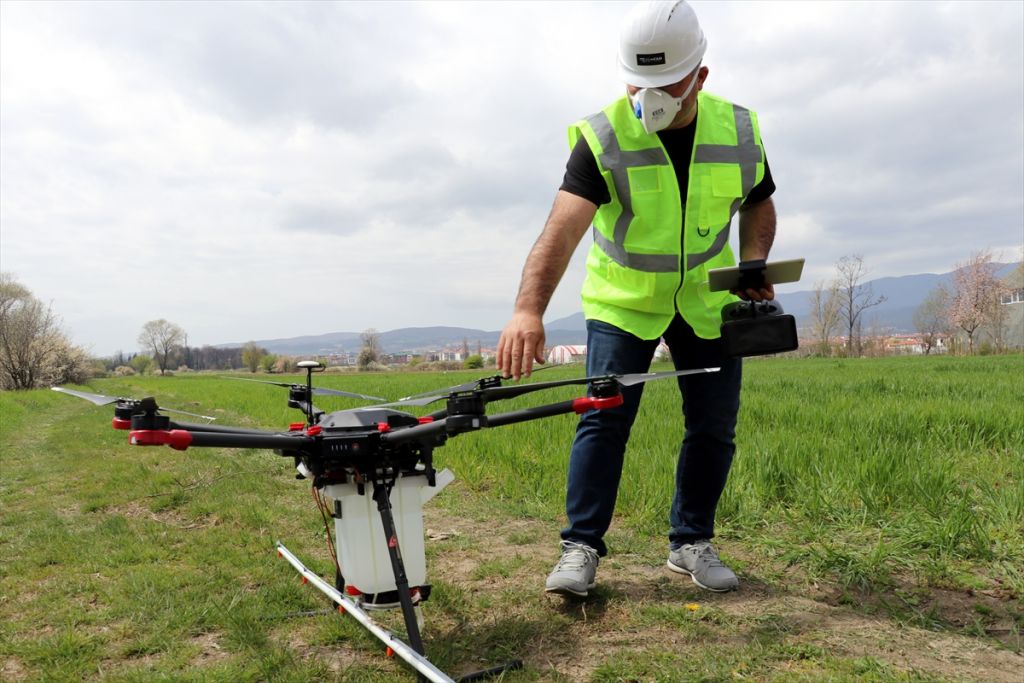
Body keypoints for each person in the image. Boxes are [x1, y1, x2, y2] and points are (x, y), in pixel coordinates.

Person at [496, 0, 777, 597]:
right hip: (623, 302)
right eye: (637, 81)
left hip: (704, 300)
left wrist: (753, 261)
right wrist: (528, 309)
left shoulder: (741, 129)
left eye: (665, 82)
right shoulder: (604, 136)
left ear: (700, 75)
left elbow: (758, 199)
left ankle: (690, 543)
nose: (648, 95)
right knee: (603, 422)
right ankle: (580, 549)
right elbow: (562, 229)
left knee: (713, 428)